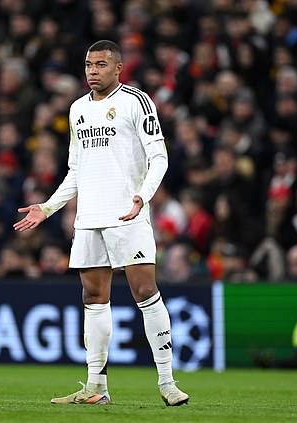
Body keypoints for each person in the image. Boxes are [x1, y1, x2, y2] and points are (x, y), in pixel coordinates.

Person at [14, 40, 189, 406]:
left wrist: (143, 196)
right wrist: (47, 208)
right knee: (93, 297)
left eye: (101, 64)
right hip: (90, 217)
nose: (93, 71)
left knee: (144, 292)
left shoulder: (136, 101)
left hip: (128, 213)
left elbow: (159, 157)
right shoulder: (77, 109)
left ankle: (167, 382)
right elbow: (75, 172)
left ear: (118, 68)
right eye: (89, 64)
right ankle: (96, 387)